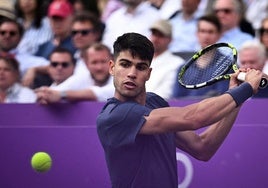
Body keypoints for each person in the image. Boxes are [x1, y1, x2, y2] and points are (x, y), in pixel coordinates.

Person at [96, 32, 263, 187]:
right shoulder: (113, 116)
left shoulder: (155, 102)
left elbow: (202, 147)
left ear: (148, 73)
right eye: (125, 64)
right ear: (112, 67)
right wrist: (246, 88)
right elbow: (193, 118)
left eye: (140, 67)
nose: (131, 73)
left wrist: (236, 99)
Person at [35, 42, 114, 104]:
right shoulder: (82, 77)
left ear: (112, 62)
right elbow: (56, 91)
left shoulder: (120, 77)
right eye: (94, 62)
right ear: (86, 64)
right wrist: (44, 95)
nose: (99, 67)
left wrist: (62, 95)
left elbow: (100, 93)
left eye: (103, 62)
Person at [172, 14, 229, 99]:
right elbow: (176, 100)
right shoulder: (183, 68)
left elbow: (223, 98)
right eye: (202, 31)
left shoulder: (226, 66)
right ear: (197, 34)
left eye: (210, 32)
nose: (206, 36)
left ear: (219, 35)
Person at [145, 19, 184, 99]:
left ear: (170, 39)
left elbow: (165, 94)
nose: (155, 39)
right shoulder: (141, 59)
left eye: (160, 35)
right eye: (154, 34)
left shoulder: (177, 63)